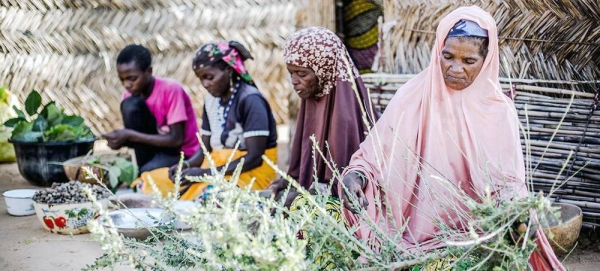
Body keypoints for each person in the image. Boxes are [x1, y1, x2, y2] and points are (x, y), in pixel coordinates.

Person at [339, 6, 564, 270]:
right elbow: (373, 157)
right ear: (437, 52)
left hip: (475, 237)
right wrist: (355, 176)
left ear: (486, 59)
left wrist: (515, 213)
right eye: (447, 56)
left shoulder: (498, 111)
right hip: (404, 232)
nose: (455, 68)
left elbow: (509, 184)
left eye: (468, 61)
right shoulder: (411, 97)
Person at [135, 41, 279, 201]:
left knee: (210, 196)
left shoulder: (250, 100)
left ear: (228, 70)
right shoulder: (211, 100)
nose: (205, 84)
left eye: (209, 77)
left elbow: (254, 158)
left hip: (248, 173)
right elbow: (205, 150)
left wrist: (204, 174)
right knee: (148, 181)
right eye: (201, 79)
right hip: (215, 169)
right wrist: (187, 166)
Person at [267, 27, 377, 205]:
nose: (294, 81)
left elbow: (342, 187)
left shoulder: (344, 114)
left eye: (302, 74)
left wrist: (299, 197)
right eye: (291, 73)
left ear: (323, 70)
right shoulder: (314, 97)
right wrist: (290, 182)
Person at [103, 44, 199, 173]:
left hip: (182, 153)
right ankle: (144, 168)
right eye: (122, 79)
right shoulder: (128, 96)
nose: (127, 84)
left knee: (147, 172)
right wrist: (120, 141)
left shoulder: (170, 89)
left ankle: (145, 169)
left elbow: (177, 139)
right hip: (154, 150)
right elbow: (140, 137)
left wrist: (129, 135)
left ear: (149, 71)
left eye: (132, 78)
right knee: (129, 104)